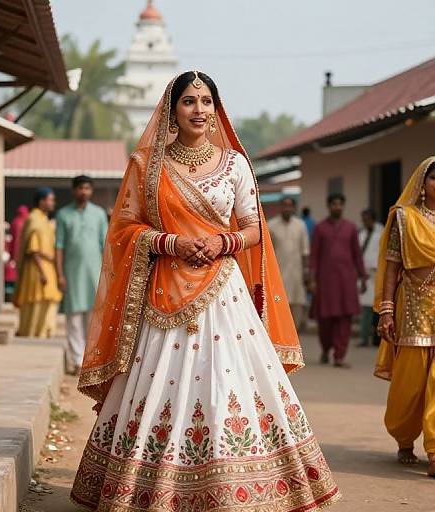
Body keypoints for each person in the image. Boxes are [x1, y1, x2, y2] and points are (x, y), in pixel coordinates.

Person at [71, 71, 340, 511]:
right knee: (161, 386)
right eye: (189, 102)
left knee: (226, 383)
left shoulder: (235, 164)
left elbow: (254, 228)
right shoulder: (147, 166)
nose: (199, 110)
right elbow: (124, 229)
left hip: (224, 295)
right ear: (172, 111)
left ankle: (240, 486)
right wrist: (170, 242)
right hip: (163, 295)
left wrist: (223, 241)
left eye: (207, 101)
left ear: (217, 109)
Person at [375, 157, 435, 477]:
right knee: (410, 383)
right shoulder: (404, 218)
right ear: (422, 184)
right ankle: (404, 438)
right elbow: (392, 266)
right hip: (413, 304)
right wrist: (386, 310)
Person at [55, 175, 108, 375]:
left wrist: (107, 275)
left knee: (93, 319)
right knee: (74, 319)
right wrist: (60, 274)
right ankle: (77, 361)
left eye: (87, 188)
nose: (83, 192)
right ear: (74, 190)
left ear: (91, 191)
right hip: (71, 273)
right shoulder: (63, 215)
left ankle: (90, 362)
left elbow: (106, 245)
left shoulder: (99, 214)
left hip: (95, 273)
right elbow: (59, 247)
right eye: (80, 188)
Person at [310, 193, 367, 368]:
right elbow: (314, 256)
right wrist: (312, 279)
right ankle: (326, 349)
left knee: (344, 318)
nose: (337, 207)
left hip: (346, 281)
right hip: (325, 281)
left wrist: (363, 276)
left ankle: (339, 355)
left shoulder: (350, 228)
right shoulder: (320, 228)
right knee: (325, 320)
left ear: (343, 206)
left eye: (340, 204)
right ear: (329, 206)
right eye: (334, 204)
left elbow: (357, 254)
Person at [13, 187, 62, 337]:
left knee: (47, 300)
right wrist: (41, 271)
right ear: (41, 201)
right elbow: (32, 248)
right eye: (50, 199)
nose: (53, 203)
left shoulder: (44, 219)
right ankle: (31, 333)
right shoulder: (33, 218)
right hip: (36, 267)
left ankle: (43, 332)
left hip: (48, 265)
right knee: (36, 301)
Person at [268, 197, 310, 331]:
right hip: (277, 273)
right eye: (284, 205)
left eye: (290, 206)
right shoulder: (271, 225)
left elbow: (305, 251)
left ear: (294, 208)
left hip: (296, 273)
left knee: (296, 306)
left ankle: (294, 337)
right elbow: (268, 252)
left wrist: (306, 271)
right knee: (278, 305)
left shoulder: (300, 225)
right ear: (280, 207)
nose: (287, 208)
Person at [358, 209, 383, 347]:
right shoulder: (361, 235)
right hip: (365, 275)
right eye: (364, 219)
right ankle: (363, 338)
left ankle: (376, 339)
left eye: (367, 219)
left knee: (377, 308)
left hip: (377, 274)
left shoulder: (381, 234)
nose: (365, 221)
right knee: (365, 308)